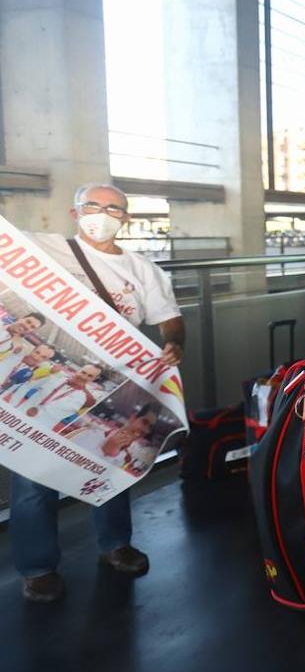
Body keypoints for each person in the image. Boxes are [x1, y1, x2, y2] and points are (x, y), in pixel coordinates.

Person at [11, 183, 184, 602]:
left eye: (113, 208)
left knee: (114, 465)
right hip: (45, 381)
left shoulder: (144, 270)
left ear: (124, 219)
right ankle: (38, 568)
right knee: (33, 475)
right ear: (75, 212)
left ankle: (115, 545)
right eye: (92, 205)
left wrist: (176, 344)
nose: (102, 214)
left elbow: (170, 321)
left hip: (116, 382)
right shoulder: (42, 249)